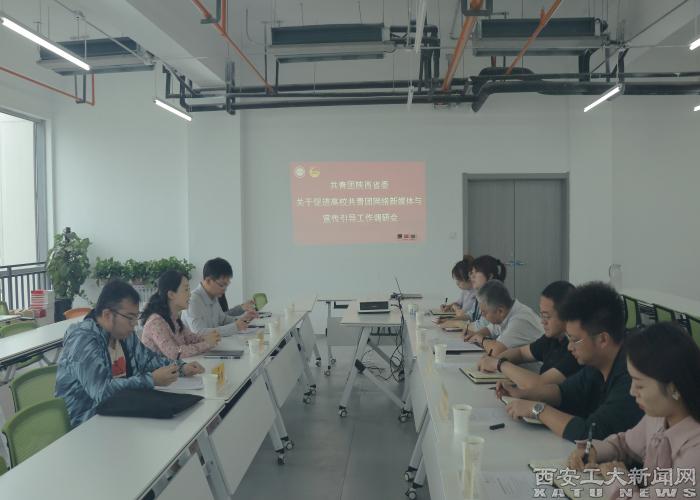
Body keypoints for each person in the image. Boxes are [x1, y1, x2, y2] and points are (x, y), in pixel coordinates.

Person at [567, 323, 700, 500]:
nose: (632, 391)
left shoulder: (695, 454)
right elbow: (625, 444)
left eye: (640, 385)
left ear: (674, 388)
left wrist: (617, 477)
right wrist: (594, 451)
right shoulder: (659, 417)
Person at [498, 282, 644, 441]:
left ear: (602, 339)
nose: (569, 347)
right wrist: (521, 394)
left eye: (574, 340)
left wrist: (538, 410)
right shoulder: (597, 363)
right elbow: (564, 392)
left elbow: (590, 433)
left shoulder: (633, 376)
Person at [55, 280, 204, 427]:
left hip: (119, 413)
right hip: (86, 423)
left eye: (136, 317)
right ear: (107, 315)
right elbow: (102, 391)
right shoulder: (82, 339)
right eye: (130, 317)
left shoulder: (123, 334)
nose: (134, 324)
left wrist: (181, 368)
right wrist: (151, 380)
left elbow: (148, 360)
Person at [477, 281, 581, 388]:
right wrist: (494, 360)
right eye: (541, 315)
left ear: (567, 316)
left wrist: (499, 364)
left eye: (547, 316)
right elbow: (521, 353)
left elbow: (540, 385)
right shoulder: (552, 338)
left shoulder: (575, 350)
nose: (542, 321)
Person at [141, 270, 221, 359]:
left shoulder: (173, 317)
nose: (190, 294)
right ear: (171, 294)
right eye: (186, 289)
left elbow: (190, 338)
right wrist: (206, 344)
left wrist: (206, 338)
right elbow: (174, 353)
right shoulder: (156, 322)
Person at [465, 280, 543, 356]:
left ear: (500, 311)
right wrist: (475, 334)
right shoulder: (507, 312)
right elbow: (490, 329)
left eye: (484, 312)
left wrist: (481, 339)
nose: (482, 315)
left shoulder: (519, 320)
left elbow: (495, 352)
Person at [183, 257, 257, 336]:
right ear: (208, 281)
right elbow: (199, 333)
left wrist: (243, 318)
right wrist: (235, 327)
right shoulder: (192, 300)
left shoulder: (213, 296)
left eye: (226, 285)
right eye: (221, 285)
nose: (224, 289)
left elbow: (223, 320)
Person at [440, 254, 506, 331]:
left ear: (490, 276)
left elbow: (480, 326)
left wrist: (456, 323)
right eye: (472, 273)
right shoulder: (481, 294)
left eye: (476, 273)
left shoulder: (494, 298)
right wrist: (450, 320)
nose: (472, 277)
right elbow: (470, 315)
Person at [440, 255, 476, 319]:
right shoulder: (465, 291)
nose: (457, 283)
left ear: (469, 278)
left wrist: (455, 307)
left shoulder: (475, 294)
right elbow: (458, 303)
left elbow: (462, 313)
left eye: (459, 280)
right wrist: (449, 306)